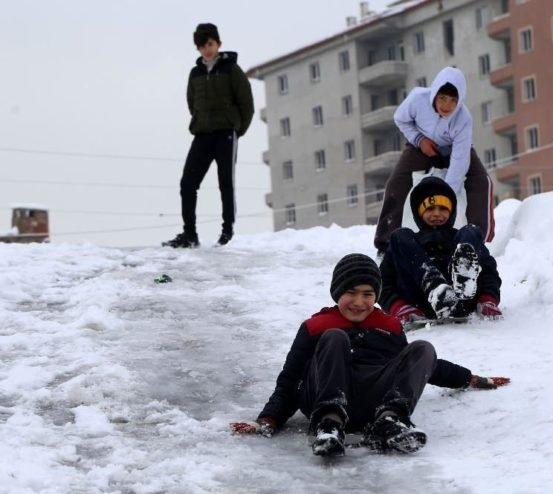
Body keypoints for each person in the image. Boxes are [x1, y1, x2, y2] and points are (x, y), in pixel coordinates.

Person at [230, 254, 509, 457]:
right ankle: (329, 424)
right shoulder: (316, 326)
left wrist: (470, 378)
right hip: (323, 396)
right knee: (335, 337)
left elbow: (422, 366)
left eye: (367, 294)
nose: (359, 302)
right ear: (337, 293)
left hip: (369, 399)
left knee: (424, 347)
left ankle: (389, 420)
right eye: (351, 293)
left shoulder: (387, 325)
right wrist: (268, 420)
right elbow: (289, 379)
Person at [373, 66, 495, 255]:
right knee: (397, 181)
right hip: (421, 145)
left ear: (460, 100)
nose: (447, 105)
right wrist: (420, 141)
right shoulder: (417, 99)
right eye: (443, 98)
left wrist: (445, 193)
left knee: (481, 181)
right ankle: (386, 243)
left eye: (453, 100)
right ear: (434, 94)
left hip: (454, 149)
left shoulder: (463, 119)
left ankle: (476, 243)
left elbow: (460, 161)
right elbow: (400, 119)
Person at [163, 23, 254, 248]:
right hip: (202, 134)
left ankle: (227, 232)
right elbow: (192, 103)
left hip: (226, 134)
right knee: (187, 183)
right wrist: (201, 122)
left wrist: (236, 130)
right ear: (198, 48)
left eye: (210, 44)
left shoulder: (231, 70)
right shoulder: (195, 73)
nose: (207, 49)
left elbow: (247, 104)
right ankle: (190, 234)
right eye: (202, 46)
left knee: (226, 184)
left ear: (218, 44)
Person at [380, 177, 502, 324]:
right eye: (430, 209)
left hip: (464, 299)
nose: (437, 214)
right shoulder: (407, 243)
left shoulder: (462, 238)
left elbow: (489, 271)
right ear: (419, 213)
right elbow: (383, 281)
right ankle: (434, 286)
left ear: (451, 211)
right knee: (399, 235)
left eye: (443, 208)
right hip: (421, 303)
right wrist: (398, 307)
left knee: (471, 231)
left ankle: (463, 276)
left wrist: (488, 299)